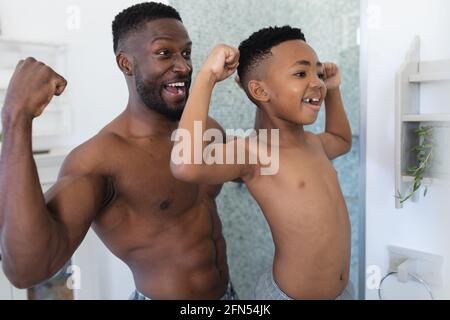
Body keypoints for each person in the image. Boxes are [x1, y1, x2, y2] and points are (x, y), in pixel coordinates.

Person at [0, 2, 237, 300]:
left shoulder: (208, 130)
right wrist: (15, 118)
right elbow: (26, 270)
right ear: (126, 64)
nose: (184, 66)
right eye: (164, 53)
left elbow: (250, 167)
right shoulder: (100, 160)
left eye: (186, 53)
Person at [170, 25, 354, 300]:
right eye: (301, 73)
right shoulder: (255, 153)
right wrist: (206, 77)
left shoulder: (315, 144)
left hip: (343, 292)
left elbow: (341, 139)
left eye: (318, 72)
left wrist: (334, 89)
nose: (316, 82)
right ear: (259, 90)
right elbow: (186, 164)